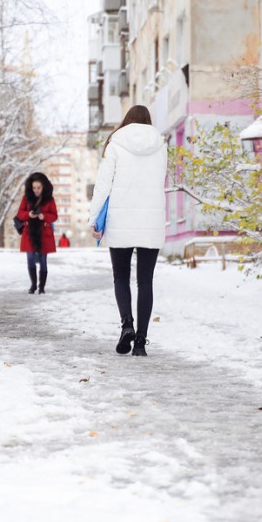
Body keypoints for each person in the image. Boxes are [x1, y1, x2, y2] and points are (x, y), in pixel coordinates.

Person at [88, 105, 167, 357]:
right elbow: (159, 180)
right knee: (145, 282)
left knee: (121, 277)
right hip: (151, 220)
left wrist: (94, 219)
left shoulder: (115, 144)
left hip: (120, 218)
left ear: (127, 120)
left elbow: (103, 185)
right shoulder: (160, 145)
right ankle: (141, 342)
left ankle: (127, 325)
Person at [17, 172, 58, 294]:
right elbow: (20, 213)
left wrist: (43, 216)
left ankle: (42, 287)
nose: (36, 190)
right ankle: (33, 285)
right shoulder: (26, 198)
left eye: (38, 187)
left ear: (44, 186)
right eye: (34, 187)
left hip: (44, 233)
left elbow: (54, 215)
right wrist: (28, 215)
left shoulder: (50, 199)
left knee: (43, 260)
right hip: (29, 232)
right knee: (30, 258)